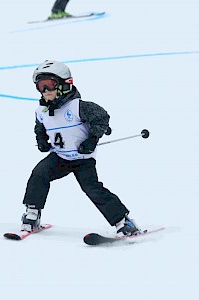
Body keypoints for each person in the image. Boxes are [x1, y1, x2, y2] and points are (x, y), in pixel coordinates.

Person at [21, 60, 141, 237]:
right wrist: (42, 140)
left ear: (64, 84)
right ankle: (32, 213)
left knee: (92, 188)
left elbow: (101, 117)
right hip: (60, 158)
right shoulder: (42, 111)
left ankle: (124, 222)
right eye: (41, 86)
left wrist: (92, 139)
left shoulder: (78, 106)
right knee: (39, 174)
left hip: (83, 160)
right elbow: (40, 127)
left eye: (50, 85)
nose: (46, 91)